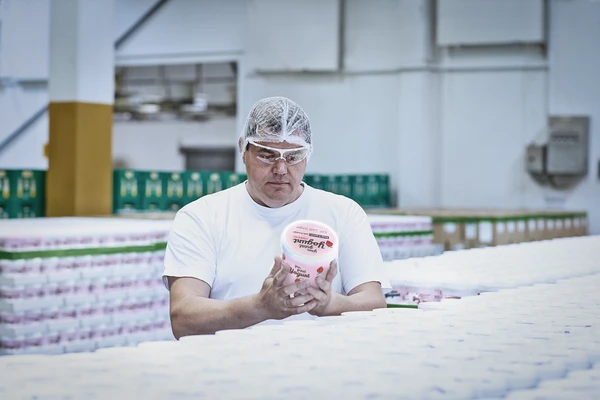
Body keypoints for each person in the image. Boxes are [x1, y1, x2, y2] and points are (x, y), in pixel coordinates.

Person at [163, 96, 390, 338]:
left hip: (321, 368)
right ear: (243, 149)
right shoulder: (201, 217)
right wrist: (260, 307)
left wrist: (328, 304)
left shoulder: (343, 214)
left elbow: (374, 304)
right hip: (228, 369)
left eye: (293, 157)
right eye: (267, 155)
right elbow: (183, 317)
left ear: (308, 154)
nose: (281, 169)